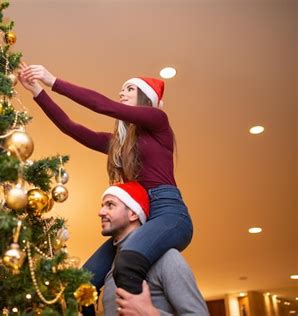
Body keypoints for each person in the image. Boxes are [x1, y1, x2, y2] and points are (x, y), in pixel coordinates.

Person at [19, 63, 193, 295]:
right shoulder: (119, 145)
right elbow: (70, 127)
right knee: (80, 287)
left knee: (128, 262)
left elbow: (103, 106)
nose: (122, 93)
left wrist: (53, 81)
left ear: (146, 98)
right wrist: (37, 91)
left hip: (169, 214)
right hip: (139, 220)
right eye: (123, 89)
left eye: (130, 89)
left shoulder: (158, 120)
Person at [98, 182, 208, 316]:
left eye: (110, 205)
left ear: (133, 213)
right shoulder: (110, 270)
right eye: (102, 206)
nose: (100, 212)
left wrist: (150, 314)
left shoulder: (167, 259)